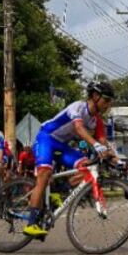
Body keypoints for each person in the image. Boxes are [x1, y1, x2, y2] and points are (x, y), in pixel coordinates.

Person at [21, 80, 118, 237]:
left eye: (110, 102)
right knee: (44, 175)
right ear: (95, 96)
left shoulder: (97, 121)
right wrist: (94, 144)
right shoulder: (78, 107)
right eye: (106, 100)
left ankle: (60, 191)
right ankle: (31, 223)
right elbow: (79, 128)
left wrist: (117, 160)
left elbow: (103, 142)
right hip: (46, 138)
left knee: (87, 167)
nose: (108, 105)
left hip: (62, 145)